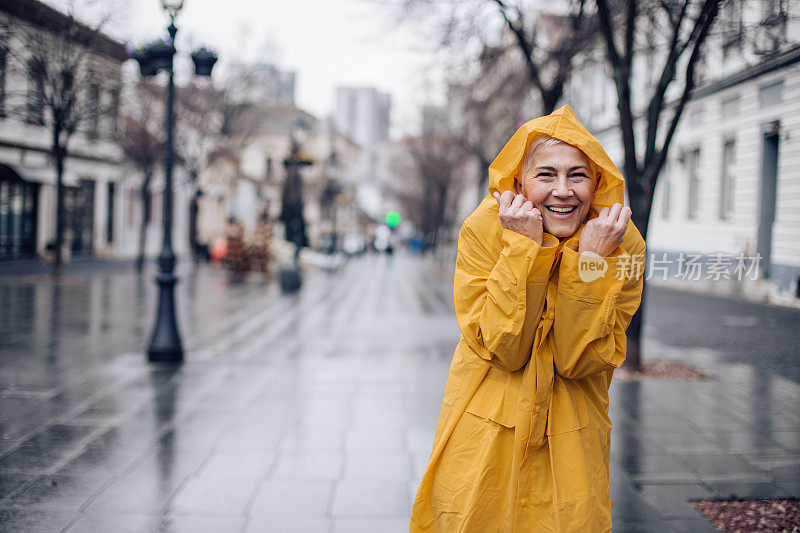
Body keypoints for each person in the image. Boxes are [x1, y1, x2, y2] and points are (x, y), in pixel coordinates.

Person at [410, 105, 646, 532]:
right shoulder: (485, 229)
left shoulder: (619, 241)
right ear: (518, 183)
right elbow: (505, 347)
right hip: (486, 425)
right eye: (546, 175)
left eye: (577, 175)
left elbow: (580, 357)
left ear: (597, 183)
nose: (563, 191)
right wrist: (523, 249)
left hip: (572, 431)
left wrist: (589, 262)